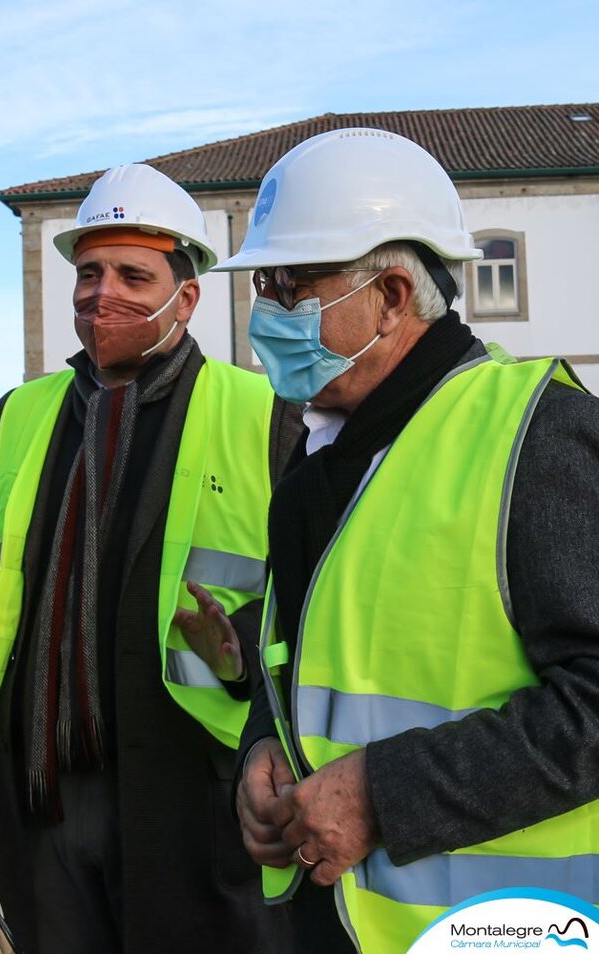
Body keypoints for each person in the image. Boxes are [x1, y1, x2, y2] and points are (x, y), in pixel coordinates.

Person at [216, 128, 599, 952]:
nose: (266, 312)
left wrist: (385, 794)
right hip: (340, 921)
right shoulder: (320, 455)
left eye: (291, 285)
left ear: (392, 294)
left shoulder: (540, 434)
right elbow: (305, 661)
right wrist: (258, 751)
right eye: (263, 285)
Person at [0, 163, 299, 954]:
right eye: (89, 272)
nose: (103, 294)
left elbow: (307, 595)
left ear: (187, 296)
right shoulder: (24, 412)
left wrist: (238, 647)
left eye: (134, 275)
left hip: (186, 798)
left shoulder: (262, 415)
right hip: (38, 803)